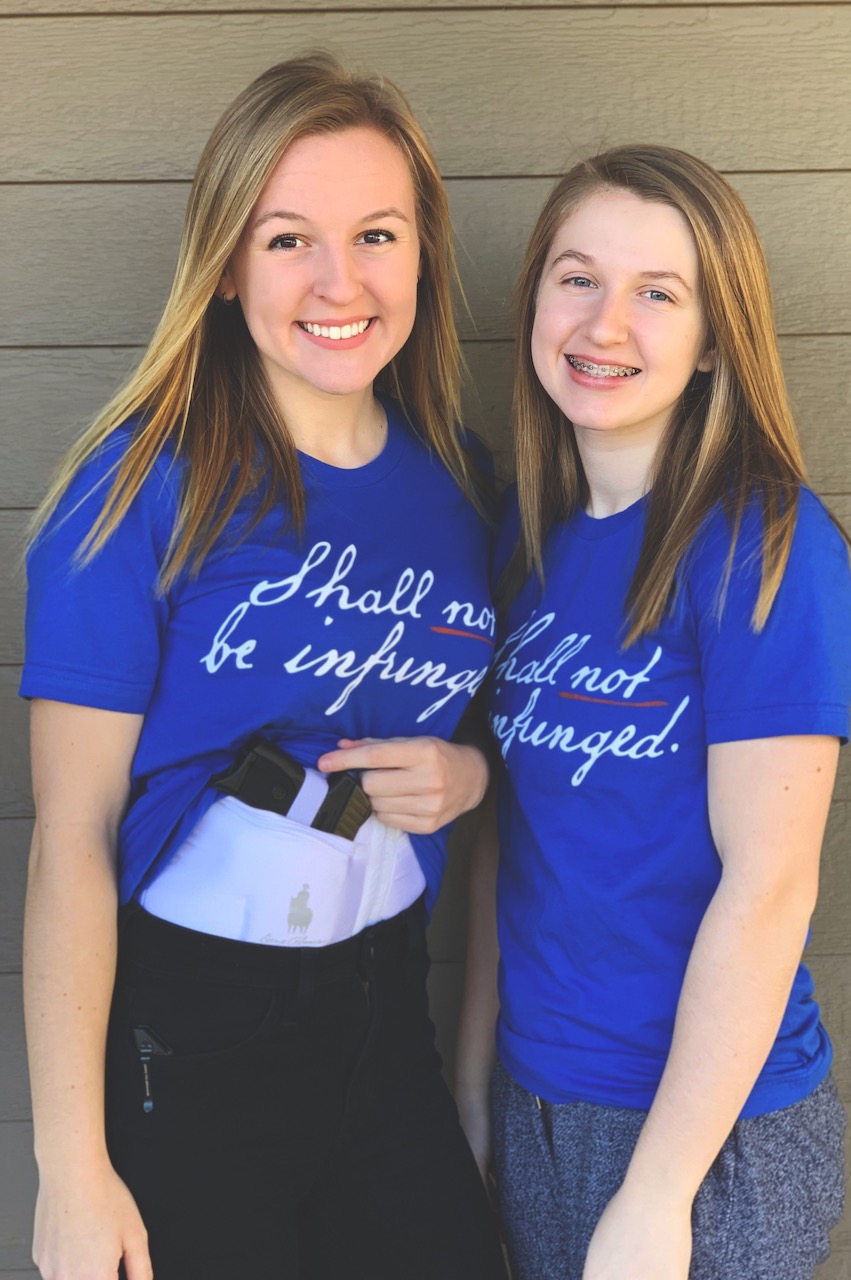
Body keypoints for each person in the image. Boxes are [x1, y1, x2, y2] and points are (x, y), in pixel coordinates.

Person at [21, 51, 507, 1280]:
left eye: (377, 234)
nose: (339, 282)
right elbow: (70, 834)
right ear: (228, 266)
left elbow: (507, 732)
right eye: (288, 239)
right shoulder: (137, 490)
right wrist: (71, 1171)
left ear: (422, 254)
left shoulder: (465, 485)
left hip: (385, 1019)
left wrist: (466, 773)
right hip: (196, 1043)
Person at [455, 145, 851, 1280]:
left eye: (658, 292)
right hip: (540, 1092)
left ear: (716, 336)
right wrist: (478, 1076)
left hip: (707, 1126)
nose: (605, 323)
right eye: (577, 276)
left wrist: (659, 1189)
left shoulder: (763, 548)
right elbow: (513, 838)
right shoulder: (525, 541)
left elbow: (769, 882)